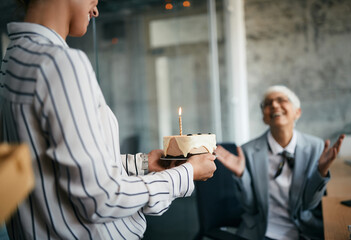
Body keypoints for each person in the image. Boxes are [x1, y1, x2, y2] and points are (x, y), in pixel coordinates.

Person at [0, 0, 216, 239]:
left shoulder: (13, 58)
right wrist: (186, 174)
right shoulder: (61, 64)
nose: (96, 9)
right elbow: (101, 198)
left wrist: (142, 164)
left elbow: (55, 166)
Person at [215, 85, 345, 240]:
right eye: (268, 103)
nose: (274, 105)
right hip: (261, 231)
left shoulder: (315, 147)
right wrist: (241, 174)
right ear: (264, 117)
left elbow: (308, 205)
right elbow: (250, 208)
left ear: (297, 112)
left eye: (281, 100)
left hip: (303, 230)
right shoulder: (247, 151)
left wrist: (321, 172)